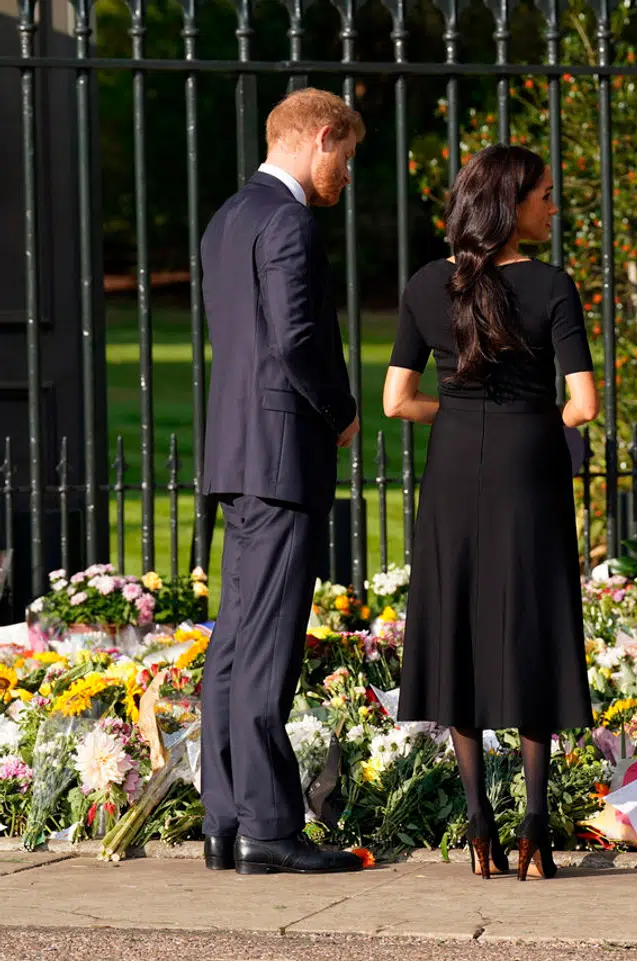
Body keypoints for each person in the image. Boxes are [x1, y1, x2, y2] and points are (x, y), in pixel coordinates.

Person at [383, 144, 598, 882]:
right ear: (511, 204)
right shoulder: (551, 285)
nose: (553, 206)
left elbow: (396, 401)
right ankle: (536, 825)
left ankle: (480, 825)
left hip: (452, 469)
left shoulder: (425, 285)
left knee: (458, 623)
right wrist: (531, 420)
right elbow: (583, 405)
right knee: (533, 621)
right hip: (528, 469)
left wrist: (459, 413)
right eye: (545, 195)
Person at [199, 88, 364, 875]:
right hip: (281, 455)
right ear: (321, 135)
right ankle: (268, 826)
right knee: (267, 648)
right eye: (347, 157)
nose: (346, 175)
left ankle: (226, 819)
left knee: (235, 641)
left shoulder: (228, 218)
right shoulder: (290, 221)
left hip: (236, 454)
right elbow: (297, 337)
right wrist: (341, 409)